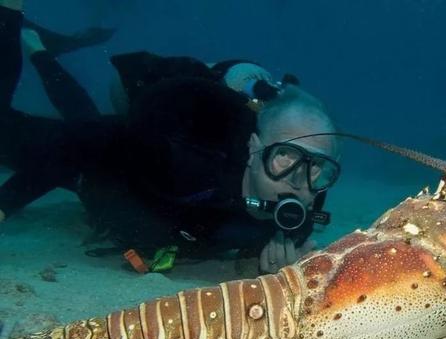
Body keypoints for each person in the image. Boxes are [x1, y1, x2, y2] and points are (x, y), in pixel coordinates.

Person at [0, 0, 341, 274]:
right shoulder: (185, 160)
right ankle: (9, 17)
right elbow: (82, 140)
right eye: (286, 157)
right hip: (98, 169)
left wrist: (265, 266)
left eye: (317, 167)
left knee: (82, 113)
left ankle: (40, 51)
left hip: (119, 184)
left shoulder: (297, 221)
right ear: (254, 149)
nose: (299, 181)